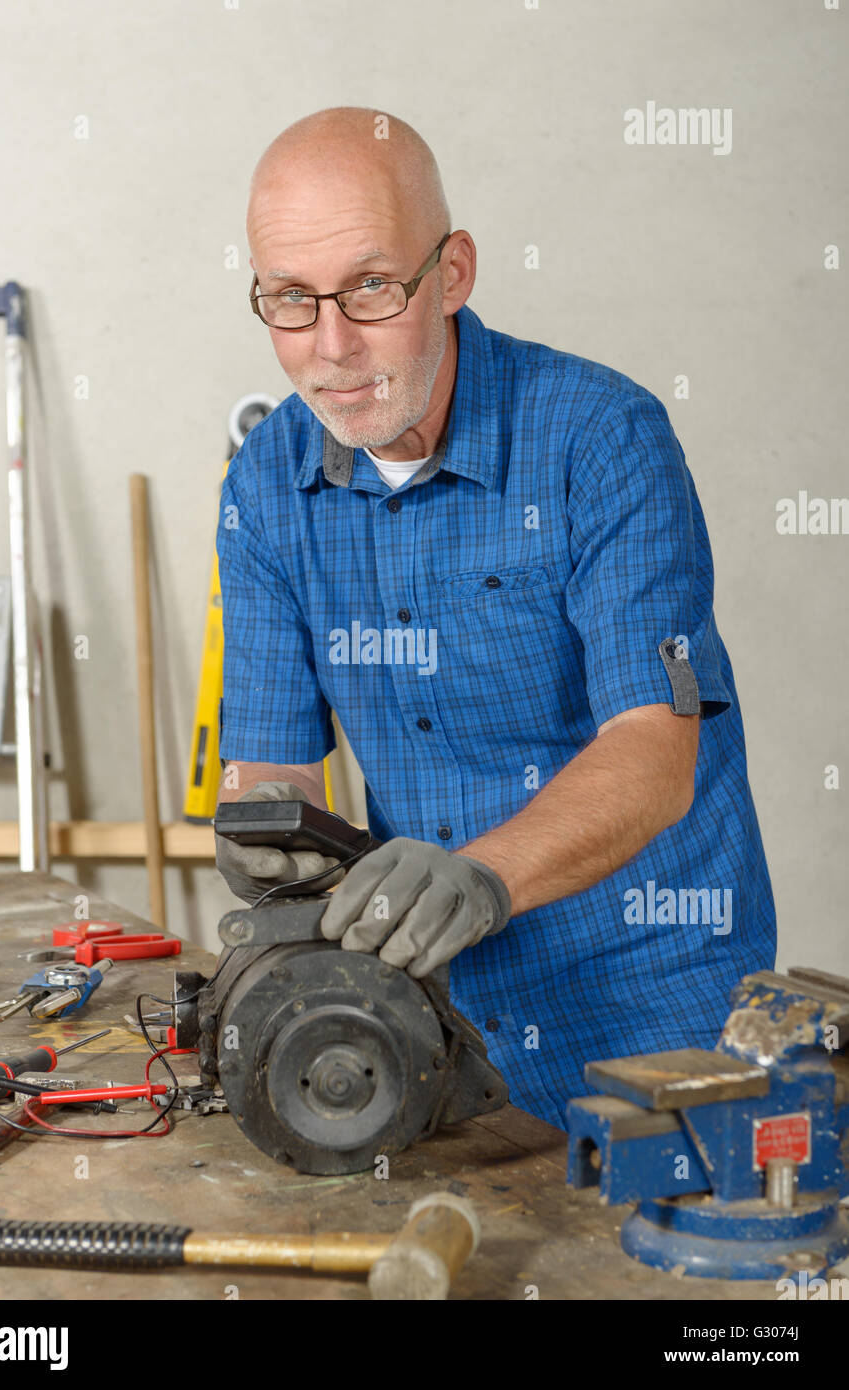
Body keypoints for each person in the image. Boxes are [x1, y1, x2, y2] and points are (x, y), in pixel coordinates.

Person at [213, 106, 775, 1127]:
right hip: (429, 1007)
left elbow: (654, 753)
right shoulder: (264, 485)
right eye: (291, 300)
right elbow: (269, 761)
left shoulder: (602, 439)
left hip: (652, 996)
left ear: (454, 271)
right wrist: (263, 827)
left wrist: (482, 875)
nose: (330, 348)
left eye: (370, 287)